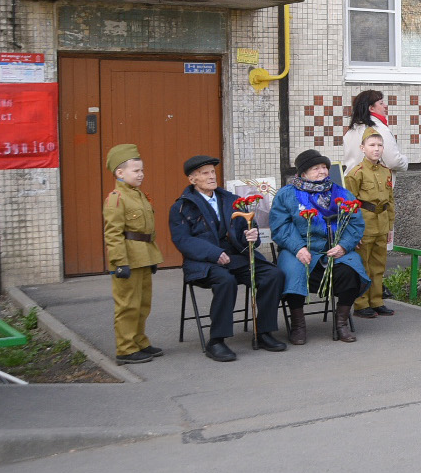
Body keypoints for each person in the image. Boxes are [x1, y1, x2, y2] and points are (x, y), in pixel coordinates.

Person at [169, 155, 288, 361]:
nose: (211, 176)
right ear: (192, 179)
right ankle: (216, 340)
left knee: (272, 274)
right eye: (205, 173)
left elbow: (246, 230)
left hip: (235, 256)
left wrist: (251, 236)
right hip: (203, 262)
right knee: (226, 281)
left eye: (213, 172)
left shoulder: (231, 200)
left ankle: (264, 332)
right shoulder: (182, 207)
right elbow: (183, 241)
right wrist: (213, 254)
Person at [270, 150, 369, 343]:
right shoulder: (287, 195)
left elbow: (355, 223)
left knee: (352, 270)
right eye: (316, 168)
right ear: (303, 173)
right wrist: (298, 247)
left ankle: (341, 323)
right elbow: (281, 226)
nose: (322, 171)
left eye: (324, 167)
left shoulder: (341, 193)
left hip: (333, 249)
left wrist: (343, 245)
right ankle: (298, 325)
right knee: (293, 271)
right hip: (298, 249)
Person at [100, 145, 164, 364]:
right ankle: (125, 348)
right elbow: (113, 234)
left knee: (143, 303)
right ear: (120, 173)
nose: (141, 174)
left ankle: (139, 342)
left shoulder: (138, 196)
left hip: (143, 257)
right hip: (128, 259)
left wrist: (153, 257)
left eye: (141, 170)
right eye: (136, 171)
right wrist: (119, 263)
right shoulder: (116, 199)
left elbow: (147, 230)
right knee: (128, 305)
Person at [343, 129, 396, 319]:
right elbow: (349, 205)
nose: (376, 149)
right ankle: (361, 304)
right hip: (363, 224)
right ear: (362, 148)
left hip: (381, 224)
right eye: (372, 145)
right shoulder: (356, 173)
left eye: (380, 145)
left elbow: (390, 201)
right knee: (362, 265)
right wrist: (351, 233)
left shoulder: (385, 171)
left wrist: (390, 227)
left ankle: (377, 301)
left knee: (378, 265)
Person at [341, 90, 407, 176]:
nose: (385, 106)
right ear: (371, 108)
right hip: (373, 185)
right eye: (381, 103)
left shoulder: (351, 131)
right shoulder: (380, 129)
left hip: (352, 182)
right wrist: (404, 160)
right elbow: (393, 161)